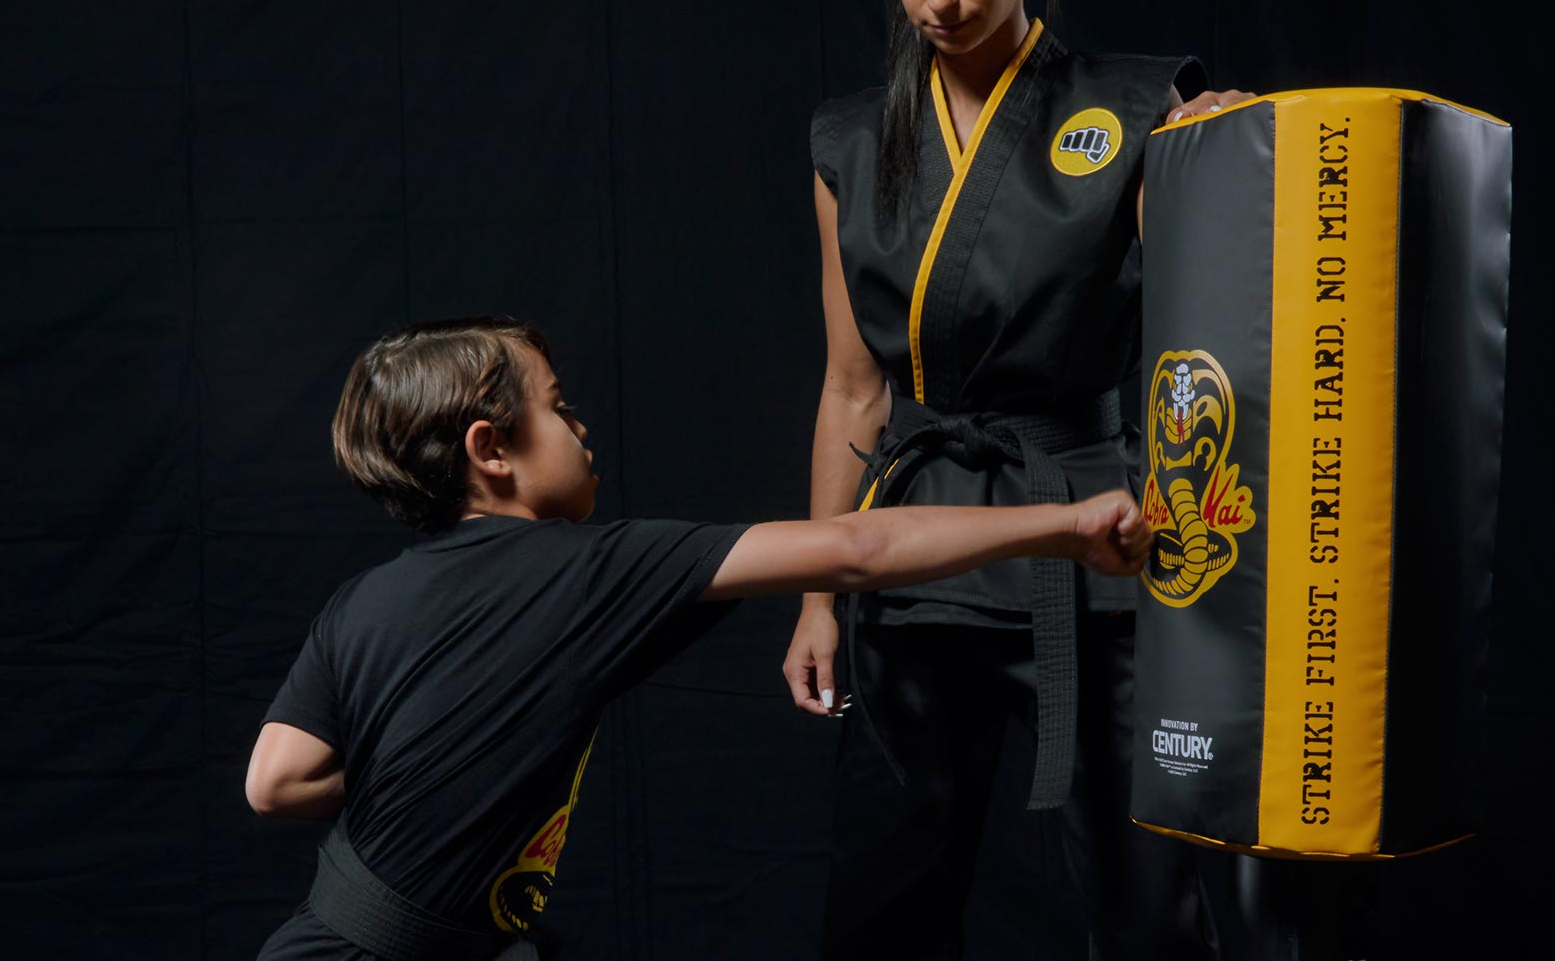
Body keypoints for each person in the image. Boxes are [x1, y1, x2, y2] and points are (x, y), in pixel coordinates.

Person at [247, 317, 1152, 961]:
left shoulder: (358, 604)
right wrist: (1067, 527)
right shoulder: (590, 571)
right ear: (493, 449)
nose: (580, 426)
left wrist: (432, 760)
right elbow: (858, 545)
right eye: (559, 408)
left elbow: (275, 781)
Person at [782, 0, 1253, 957]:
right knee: (883, 901)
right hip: (911, 548)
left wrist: (1227, 161)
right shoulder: (851, 142)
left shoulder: (1137, 110)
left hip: (1095, 538)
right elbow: (854, 385)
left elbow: (1223, 323)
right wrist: (819, 594)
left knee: (1148, 903)